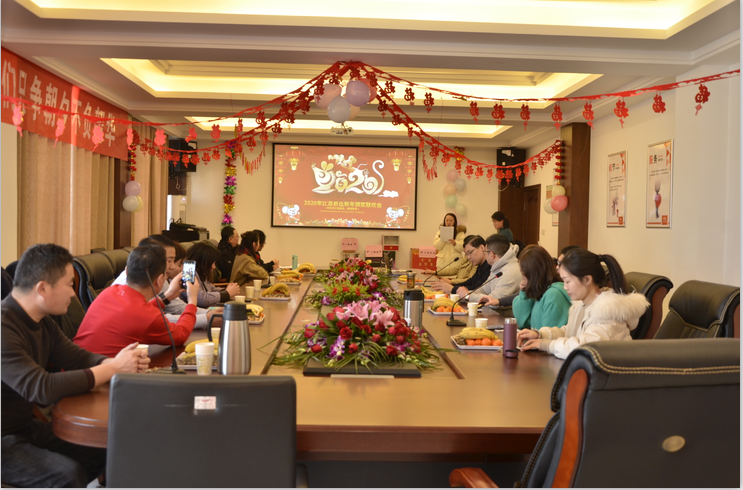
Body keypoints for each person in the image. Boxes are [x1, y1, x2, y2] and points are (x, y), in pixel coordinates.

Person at [2, 244, 147, 488]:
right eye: (70, 284)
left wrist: (116, 363)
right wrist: (113, 368)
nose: (73, 293)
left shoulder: (42, 322)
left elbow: (78, 357)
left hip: (24, 427)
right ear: (42, 288)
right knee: (68, 475)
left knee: (108, 448)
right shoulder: (4, 327)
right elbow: (41, 388)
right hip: (3, 438)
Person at [517, 248, 649, 359]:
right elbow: (569, 331)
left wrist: (546, 344)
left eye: (567, 281)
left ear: (587, 279)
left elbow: (584, 348)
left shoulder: (607, 313)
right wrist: (540, 335)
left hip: (610, 377)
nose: (565, 287)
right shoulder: (582, 304)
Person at [74, 244, 199, 357]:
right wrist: (192, 300)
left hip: (79, 369)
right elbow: (180, 335)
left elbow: (137, 312)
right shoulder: (146, 315)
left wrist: (168, 296)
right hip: (102, 374)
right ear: (160, 280)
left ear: (127, 271)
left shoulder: (109, 291)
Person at [112, 235, 216, 329]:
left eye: (173, 261)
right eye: (169, 261)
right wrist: (205, 317)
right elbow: (157, 321)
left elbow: (176, 308)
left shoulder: (158, 276)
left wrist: (211, 313)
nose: (173, 266)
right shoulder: (131, 283)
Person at [508, 245, 571, 330]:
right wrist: (524, 293)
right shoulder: (540, 291)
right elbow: (522, 322)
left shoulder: (553, 295)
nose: (523, 277)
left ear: (533, 273)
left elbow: (549, 335)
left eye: (524, 273)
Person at [180, 242, 240, 307]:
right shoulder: (187, 272)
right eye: (212, 263)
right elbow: (201, 300)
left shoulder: (200, 271)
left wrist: (227, 290)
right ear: (202, 261)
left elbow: (210, 288)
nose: (214, 267)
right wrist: (226, 294)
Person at [466, 234, 521, 303]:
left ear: (492, 255)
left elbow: (493, 301)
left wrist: (469, 296)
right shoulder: (497, 267)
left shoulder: (510, 272)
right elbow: (484, 289)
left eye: (485, 252)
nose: (484, 254)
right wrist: (468, 294)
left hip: (505, 310)